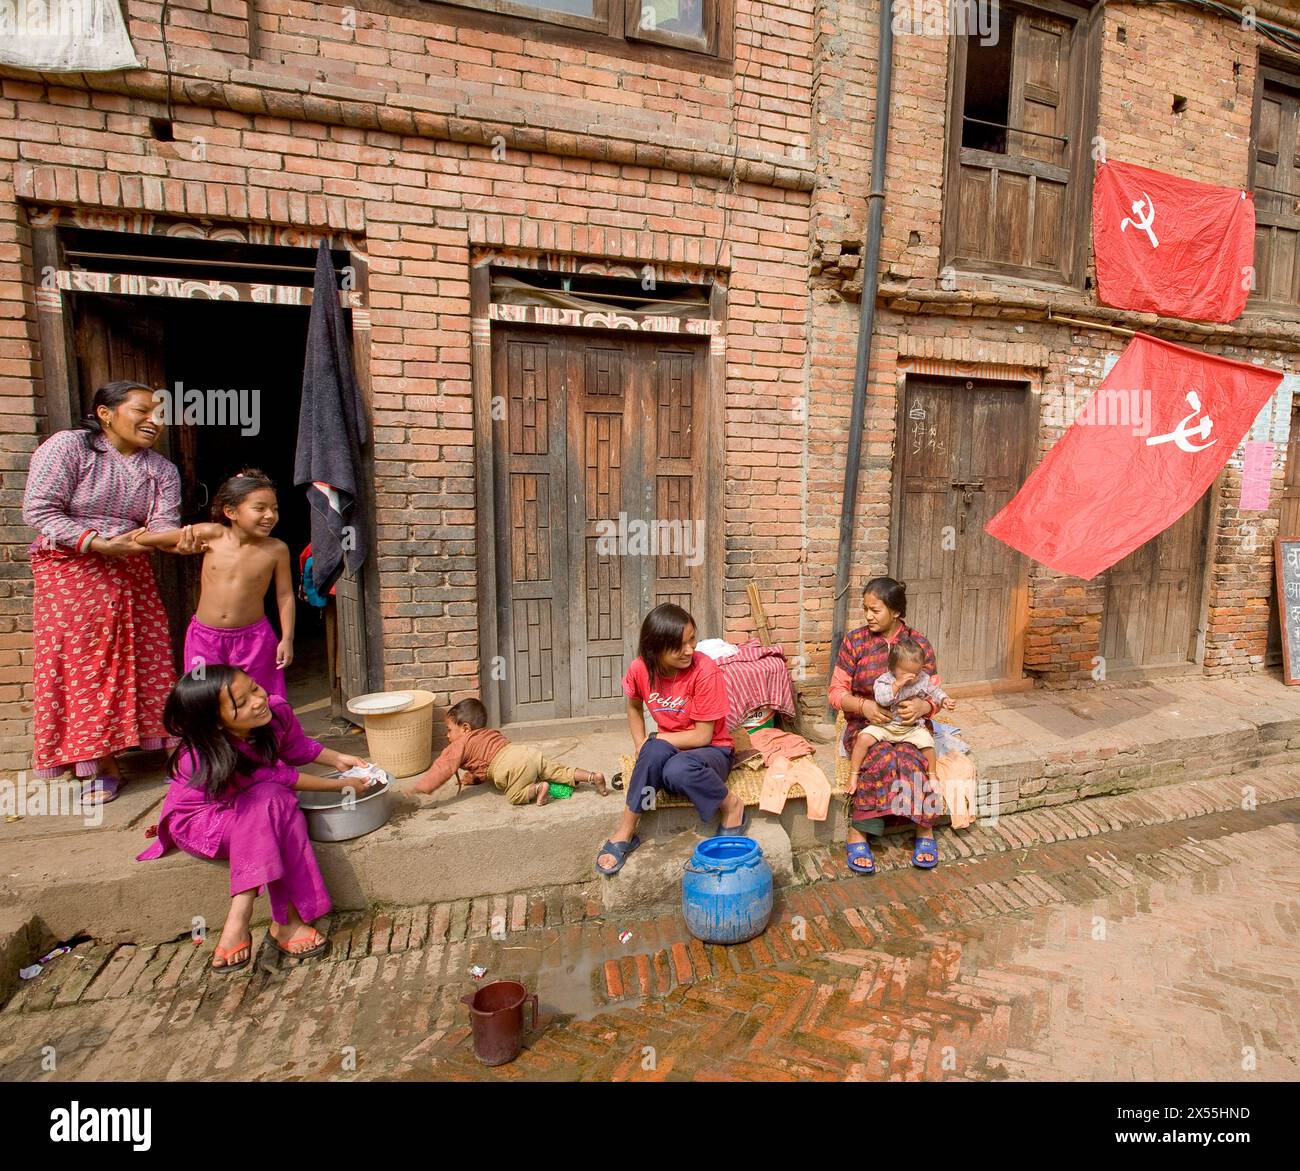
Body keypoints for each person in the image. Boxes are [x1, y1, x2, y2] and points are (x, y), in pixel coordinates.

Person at [22, 381, 200, 803]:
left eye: (158, 413)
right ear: (106, 412)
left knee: (149, 656)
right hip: (71, 569)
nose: (154, 420)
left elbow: (161, 527)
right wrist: (96, 542)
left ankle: (168, 753)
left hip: (131, 568)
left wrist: (188, 539)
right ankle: (99, 765)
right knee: (86, 665)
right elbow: (39, 508)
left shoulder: (160, 469)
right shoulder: (69, 448)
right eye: (143, 410)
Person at [137, 666, 376, 970]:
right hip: (204, 822)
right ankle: (253, 915)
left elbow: (296, 747)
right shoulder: (200, 756)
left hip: (258, 808)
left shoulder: (274, 711)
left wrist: (337, 759)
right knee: (273, 798)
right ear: (216, 723)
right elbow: (284, 777)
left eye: (253, 687)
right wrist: (342, 786)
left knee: (275, 802)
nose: (257, 699)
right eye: (240, 703)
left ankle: (269, 922)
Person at [595, 603, 744, 876]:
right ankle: (626, 831)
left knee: (676, 767)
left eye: (692, 639)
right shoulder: (640, 668)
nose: (690, 650)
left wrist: (654, 738)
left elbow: (703, 735)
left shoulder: (704, 670)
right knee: (654, 754)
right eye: (679, 645)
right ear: (655, 648)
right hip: (671, 747)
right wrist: (641, 742)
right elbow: (634, 706)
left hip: (712, 750)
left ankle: (731, 806)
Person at [137, 469, 294, 699]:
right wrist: (176, 547)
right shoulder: (210, 534)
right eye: (260, 508)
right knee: (203, 696)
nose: (270, 515)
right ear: (230, 512)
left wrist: (287, 638)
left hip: (255, 641)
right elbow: (149, 539)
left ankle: (267, 737)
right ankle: (209, 736)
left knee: (262, 696)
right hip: (205, 640)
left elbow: (285, 596)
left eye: (275, 508)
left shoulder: (277, 549)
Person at [828, 577, 945, 874]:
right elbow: (835, 693)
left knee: (911, 757)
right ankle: (860, 831)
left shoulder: (918, 644)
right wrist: (864, 705)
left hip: (909, 724)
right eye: (865, 609)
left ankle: (924, 828)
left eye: (875, 610)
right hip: (867, 724)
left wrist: (924, 706)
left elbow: (935, 691)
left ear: (895, 612)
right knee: (879, 756)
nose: (868, 616)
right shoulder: (855, 642)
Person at [412, 698, 607, 804]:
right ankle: (593, 776)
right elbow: (482, 762)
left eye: (449, 730)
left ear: (465, 729)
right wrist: (474, 778)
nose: (447, 736)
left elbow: (443, 767)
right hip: (524, 752)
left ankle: (539, 789)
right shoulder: (488, 733)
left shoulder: (459, 744)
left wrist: (421, 786)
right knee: (559, 771)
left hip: (510, 766)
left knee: (514, 796)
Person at [848, 636, 955, 785]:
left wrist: (944, 700)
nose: (912, 678)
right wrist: (897, 685)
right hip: (886, 725)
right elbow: (882, 699)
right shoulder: (885, 680)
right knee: (863, 738)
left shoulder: (922, 679)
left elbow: (935, 691)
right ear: (892, 668)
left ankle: (932, 774)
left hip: (910, 728)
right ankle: (853, 775)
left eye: (916, 673)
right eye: (905, 673)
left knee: (928, 744)